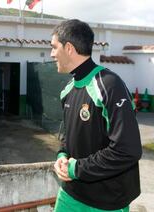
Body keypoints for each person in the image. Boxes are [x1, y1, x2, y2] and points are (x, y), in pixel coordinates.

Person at [51, 19, 142, 211]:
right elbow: (69, 136)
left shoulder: (110, 85)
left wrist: (76, 169)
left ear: (68, 48)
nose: (52, 54)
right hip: (69, 194)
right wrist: (62, 155)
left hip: (107, 202)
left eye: (54, 47)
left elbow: (127, 150)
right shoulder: (67, 90)